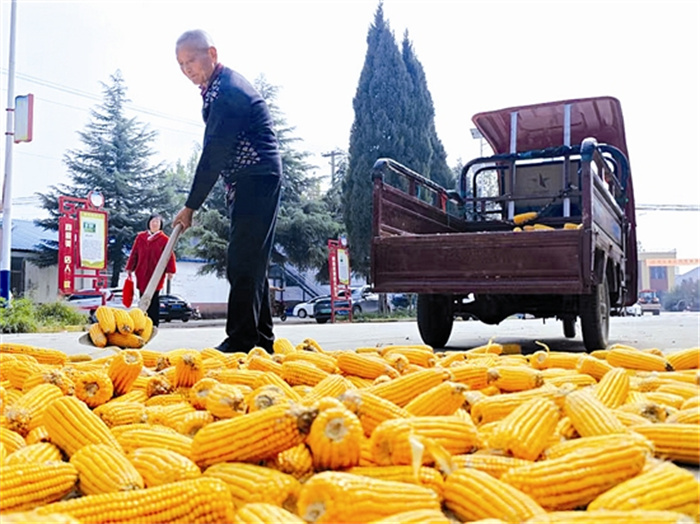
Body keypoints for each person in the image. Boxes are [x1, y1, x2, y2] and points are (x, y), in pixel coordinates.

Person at [172, 30, 282, 353]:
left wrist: (190, 206)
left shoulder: (228, 92)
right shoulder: (216, 88)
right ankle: (261, 340)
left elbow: (213, 154)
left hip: (257, 177)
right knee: (252, 262)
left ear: (212, 53)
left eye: (191, 60)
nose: (187, 69)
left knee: (242, 262)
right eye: (181, 64)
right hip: (248, 181)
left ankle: (241, 340)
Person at [125, 214, 176, 327]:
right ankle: (142, 323)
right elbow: (134, 253)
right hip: (141, 273)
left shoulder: (164, 240)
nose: (155, 224)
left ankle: (153, 324)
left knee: (154, 299)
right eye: (153, 221)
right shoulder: (141, 237)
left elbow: (170, 255)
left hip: (156, 274)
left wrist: (170, 271)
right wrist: (130, 267)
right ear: (149, 223)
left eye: (157, 222)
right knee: (143, 297)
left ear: (160, 225)